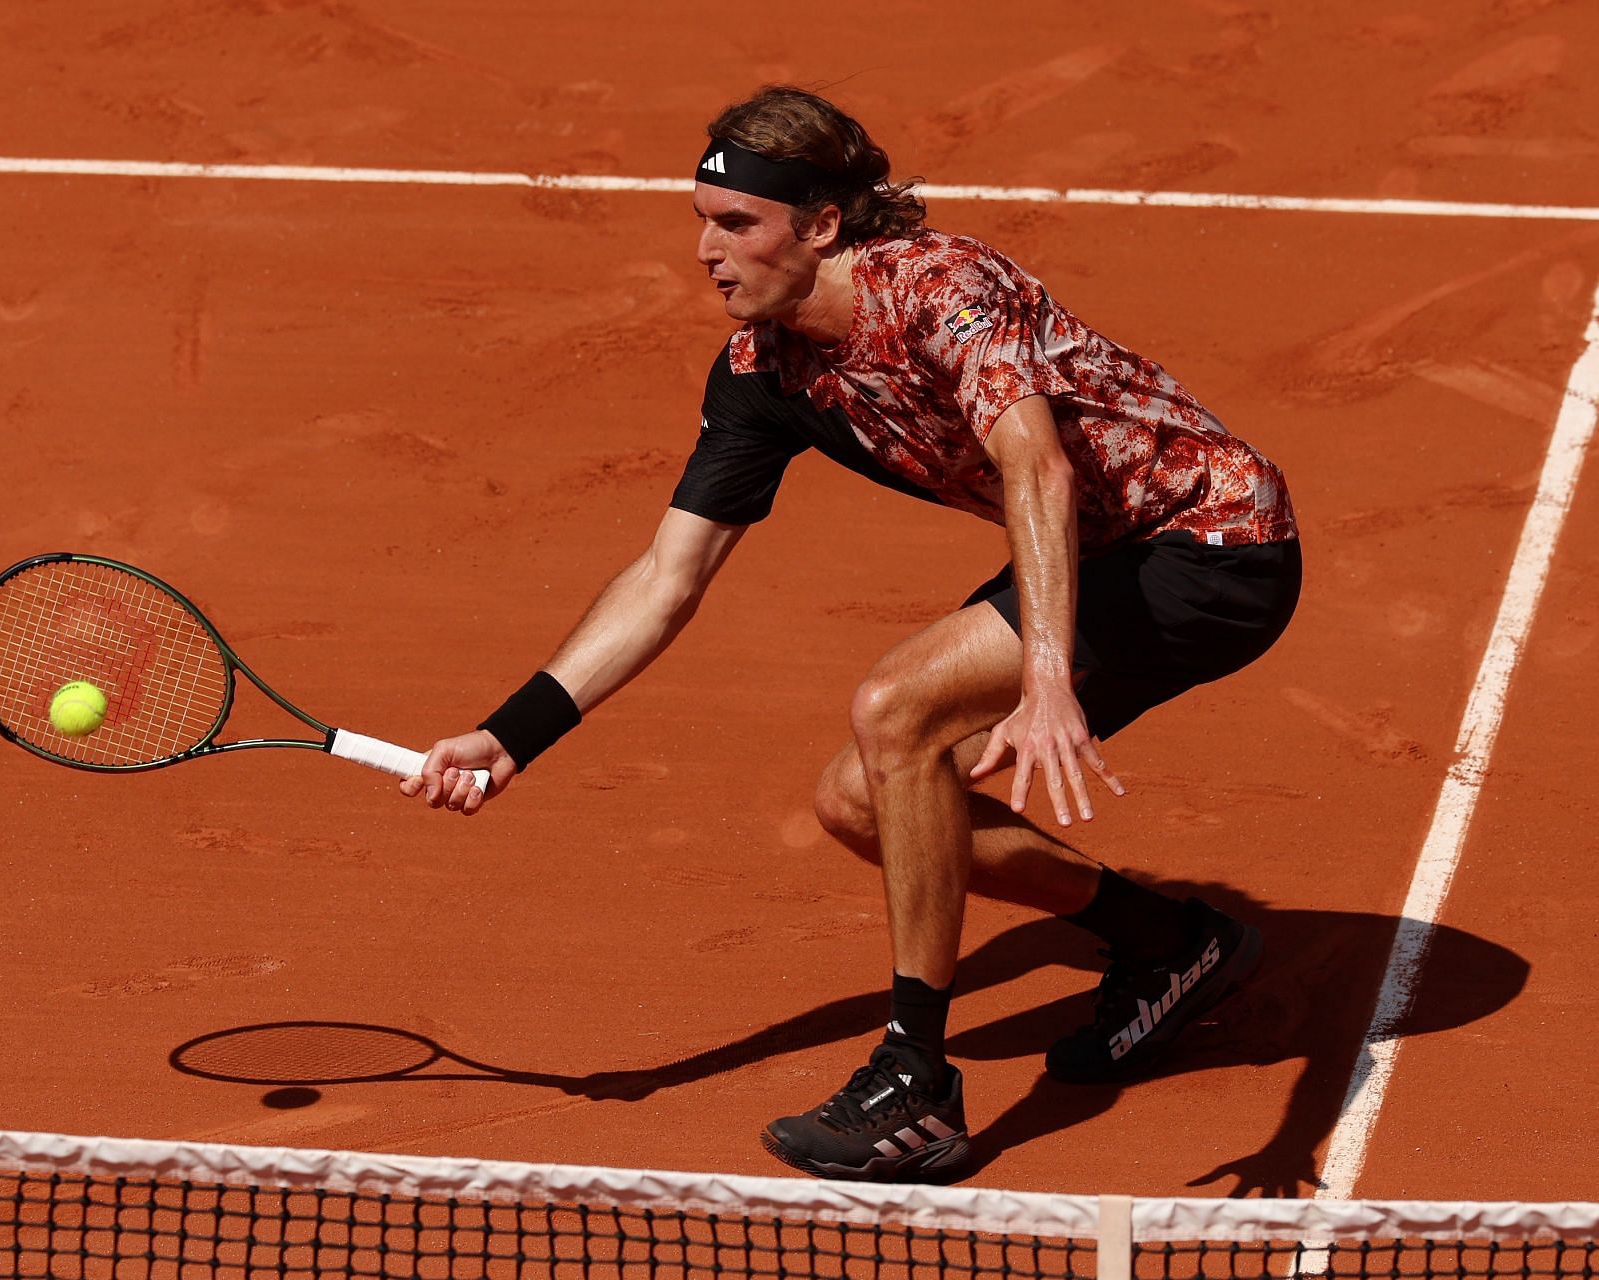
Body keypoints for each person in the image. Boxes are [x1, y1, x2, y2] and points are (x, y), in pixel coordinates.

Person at [399, 85, 1301, 1183]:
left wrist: (1050, 673)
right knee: (862, 798)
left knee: (897, 707)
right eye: (701, 222)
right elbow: (666, 577)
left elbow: (1038, 465)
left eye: (736, 225)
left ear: (822, 222)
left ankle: (917, 1082)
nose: (706, 252)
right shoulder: (763, 374)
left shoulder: (943, 288)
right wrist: (509, 736)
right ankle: (1172, 942)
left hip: (1211, 542)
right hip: (1101, 554)